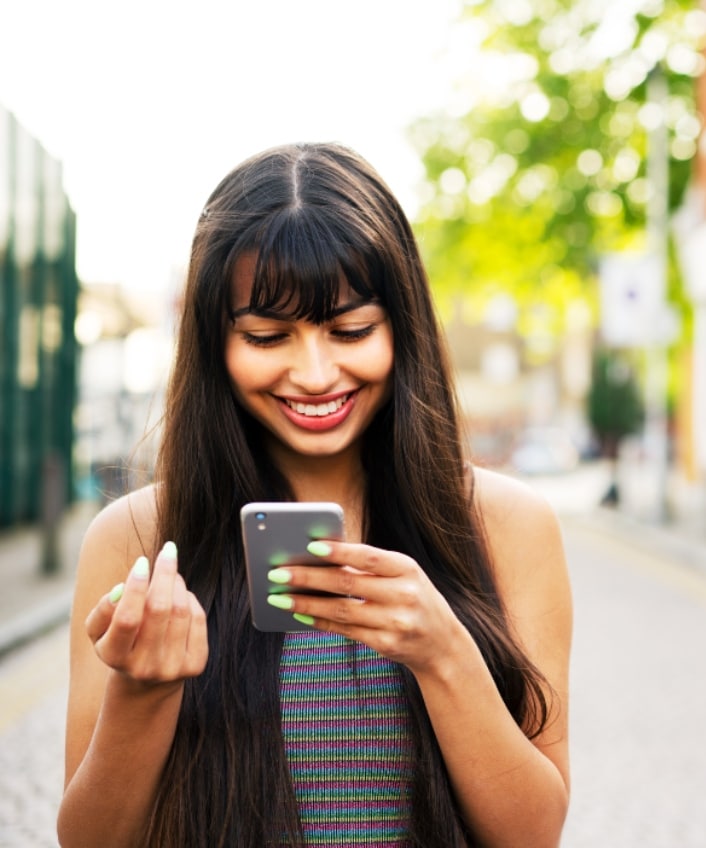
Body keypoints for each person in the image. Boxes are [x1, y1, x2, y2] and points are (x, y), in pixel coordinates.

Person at [57, 142, 572, 848]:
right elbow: (90, 841)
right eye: (268, 336)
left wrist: (442, 652)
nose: (315, 372)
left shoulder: (506, 525)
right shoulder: (138, 538)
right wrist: (143, 691)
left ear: (403, 326)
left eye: (351, 329)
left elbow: (533, 834)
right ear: (217, 345)